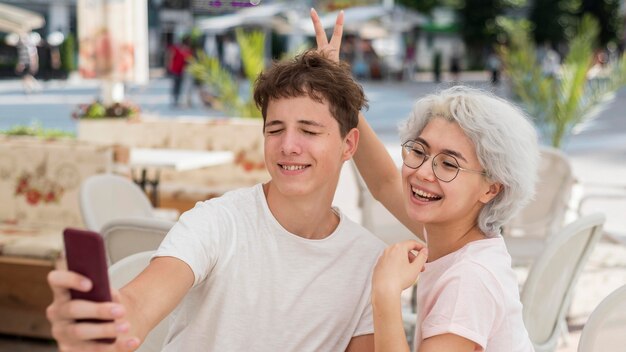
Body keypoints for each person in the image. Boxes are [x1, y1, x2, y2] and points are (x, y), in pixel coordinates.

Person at [46, 47, 386, 351]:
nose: (288, 146)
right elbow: (139, 301)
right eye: (275, 129)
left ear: (349, 145)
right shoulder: (216, 222)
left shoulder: (369, 262)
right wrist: (103, 327)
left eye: (309, 131)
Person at [312, 10, 538, 352]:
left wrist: (385, 294)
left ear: (491, 188)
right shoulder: (454, 235)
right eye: (419, 150)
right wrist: (339, 91)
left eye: (449, 163)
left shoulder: (469, 279)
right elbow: (386, 182)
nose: (423, 172)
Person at [166, 35, 192, 107]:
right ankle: (174, 100)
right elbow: (170, 57)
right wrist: (169, 66)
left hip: (182, 71)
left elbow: (188, 60)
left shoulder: (187, 50)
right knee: (175, 85)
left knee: (180, 85)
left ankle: (177, 100)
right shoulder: (176, 48)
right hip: (175, 69)